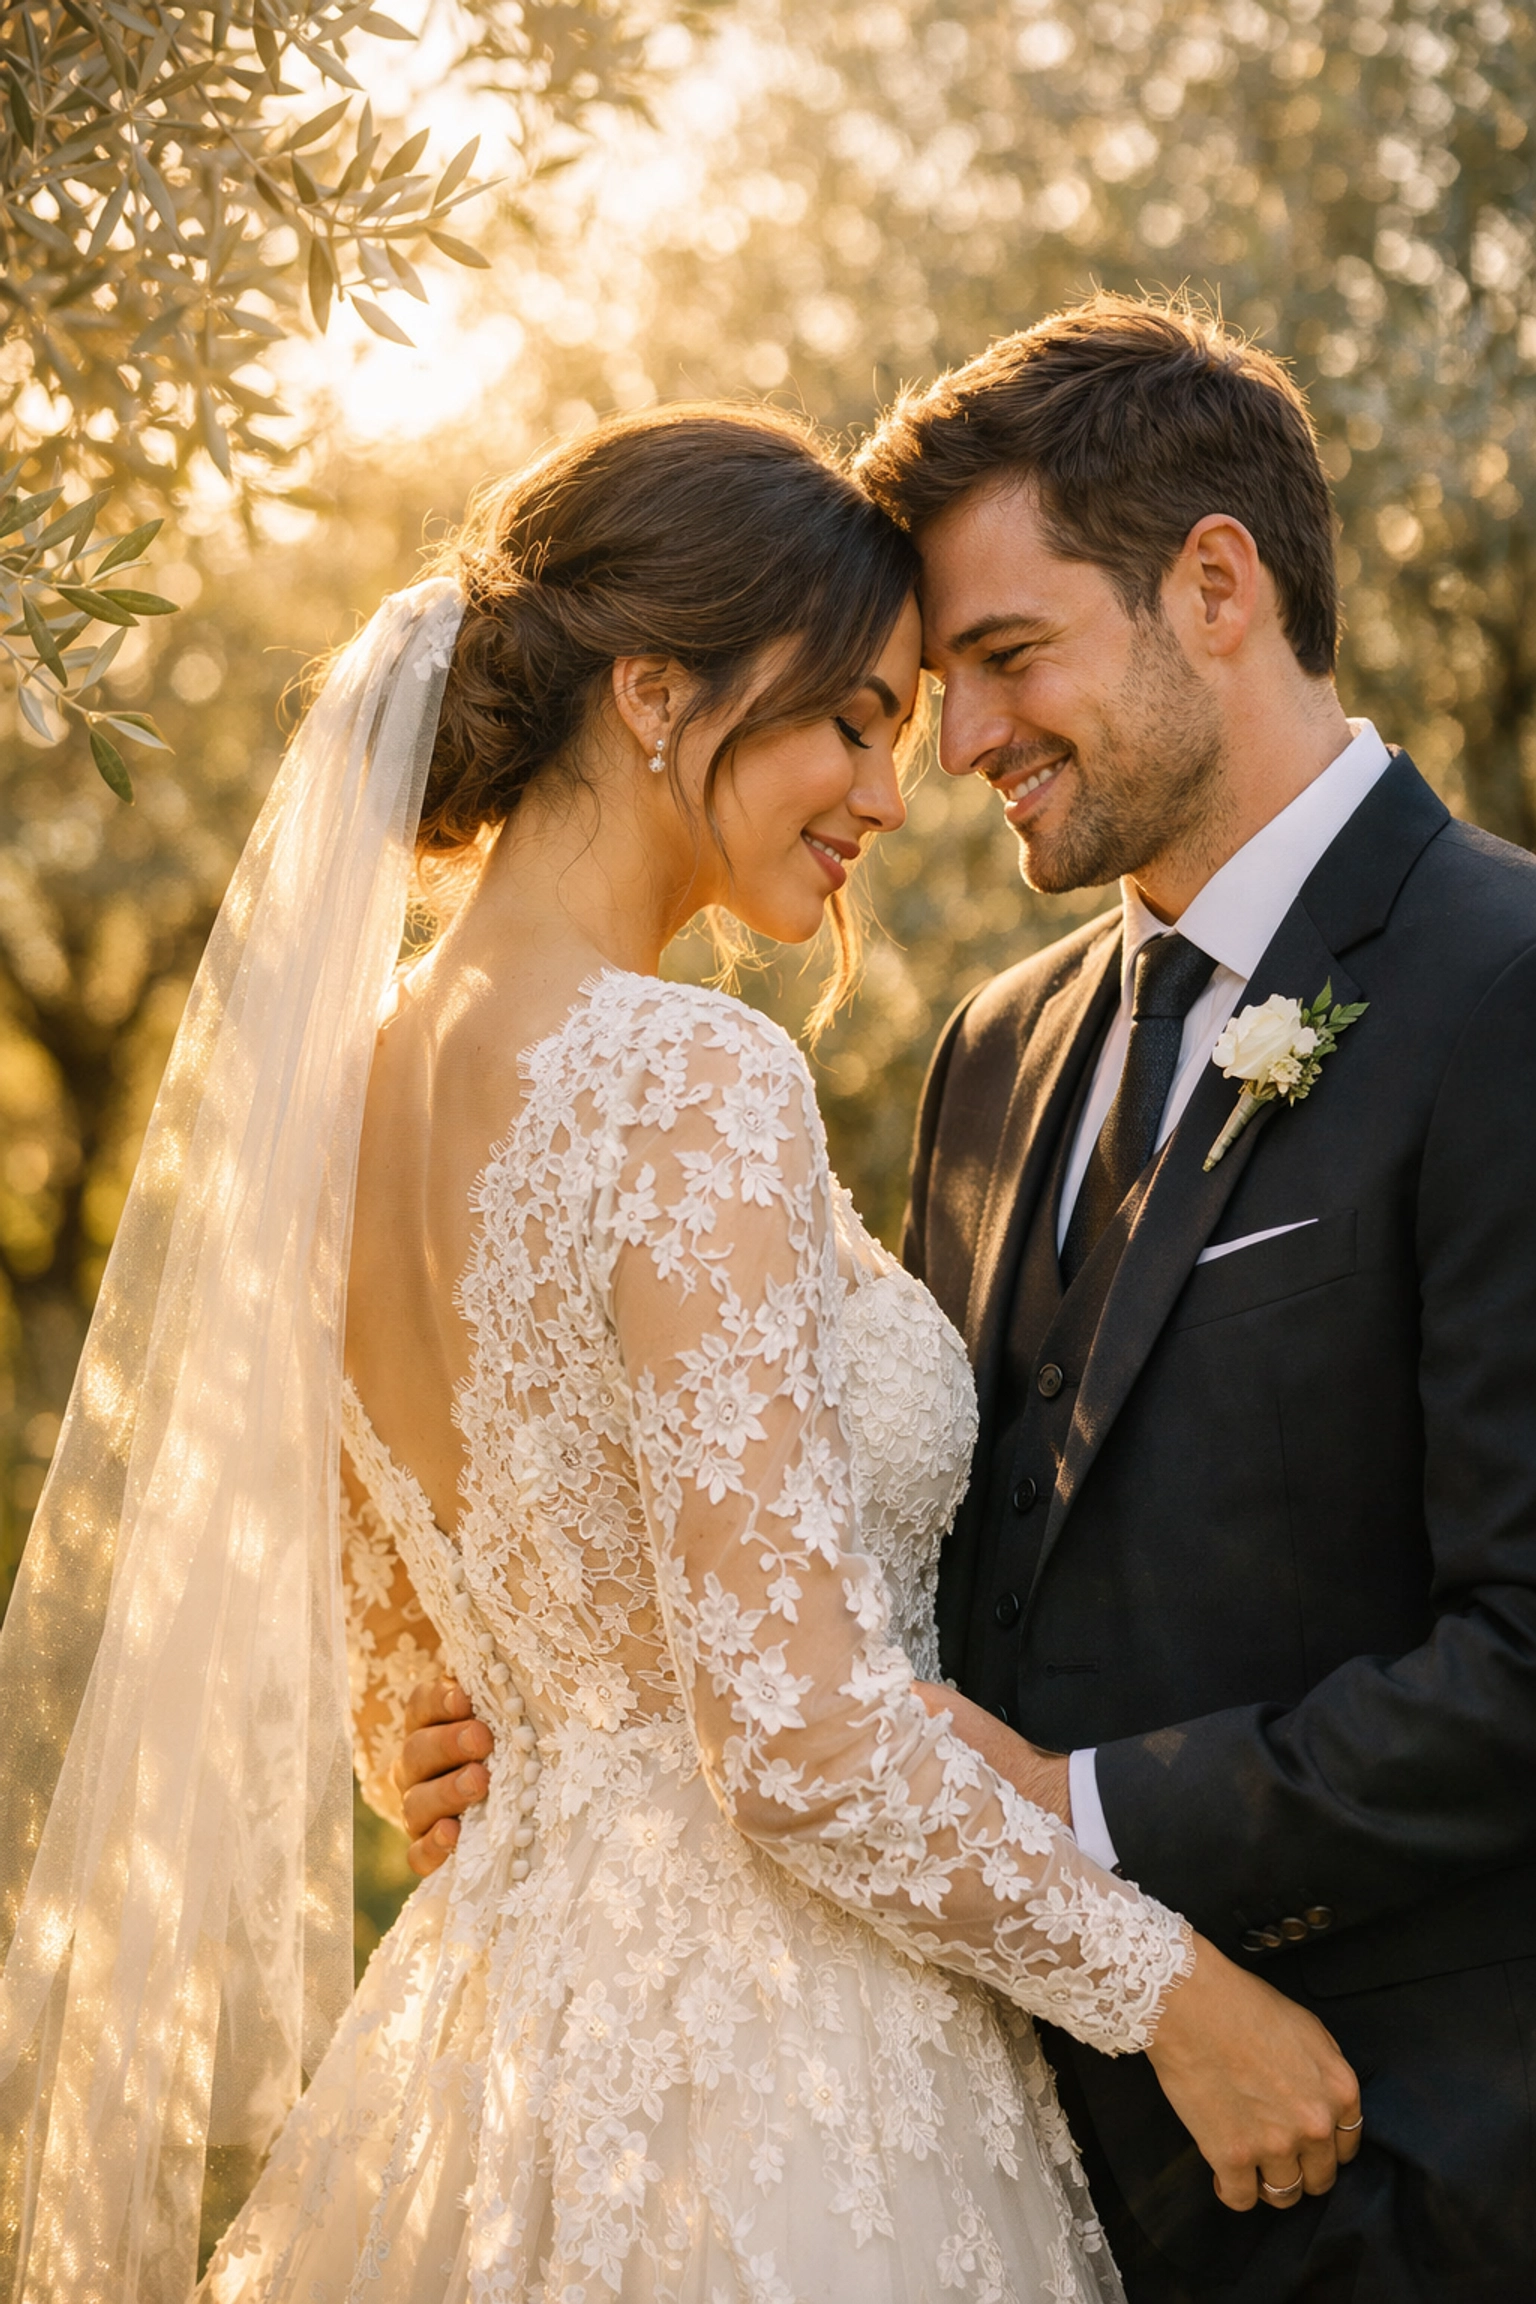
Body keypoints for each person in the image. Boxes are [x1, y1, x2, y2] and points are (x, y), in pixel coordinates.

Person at [0, 400, 1358, 2303]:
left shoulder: (341, 1089)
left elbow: (419, 1693)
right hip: (769, 2061)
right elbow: (798, 1744)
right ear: (655, 693)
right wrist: (1181, 1997)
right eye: (856, 719)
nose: (895, 792)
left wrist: (477, 1740)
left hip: (492, 2051)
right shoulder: (685, 1071)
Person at [401, 301, 1536, 2302]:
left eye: (1002, 663)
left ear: (1214, 587)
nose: (956, 752)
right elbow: (851, 1552)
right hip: (940, 2136)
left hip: (1390, 2151)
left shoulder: (1506, 985)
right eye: (916, 695)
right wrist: (511, 1691)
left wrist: (1096, 1821)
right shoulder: (996, 1053)